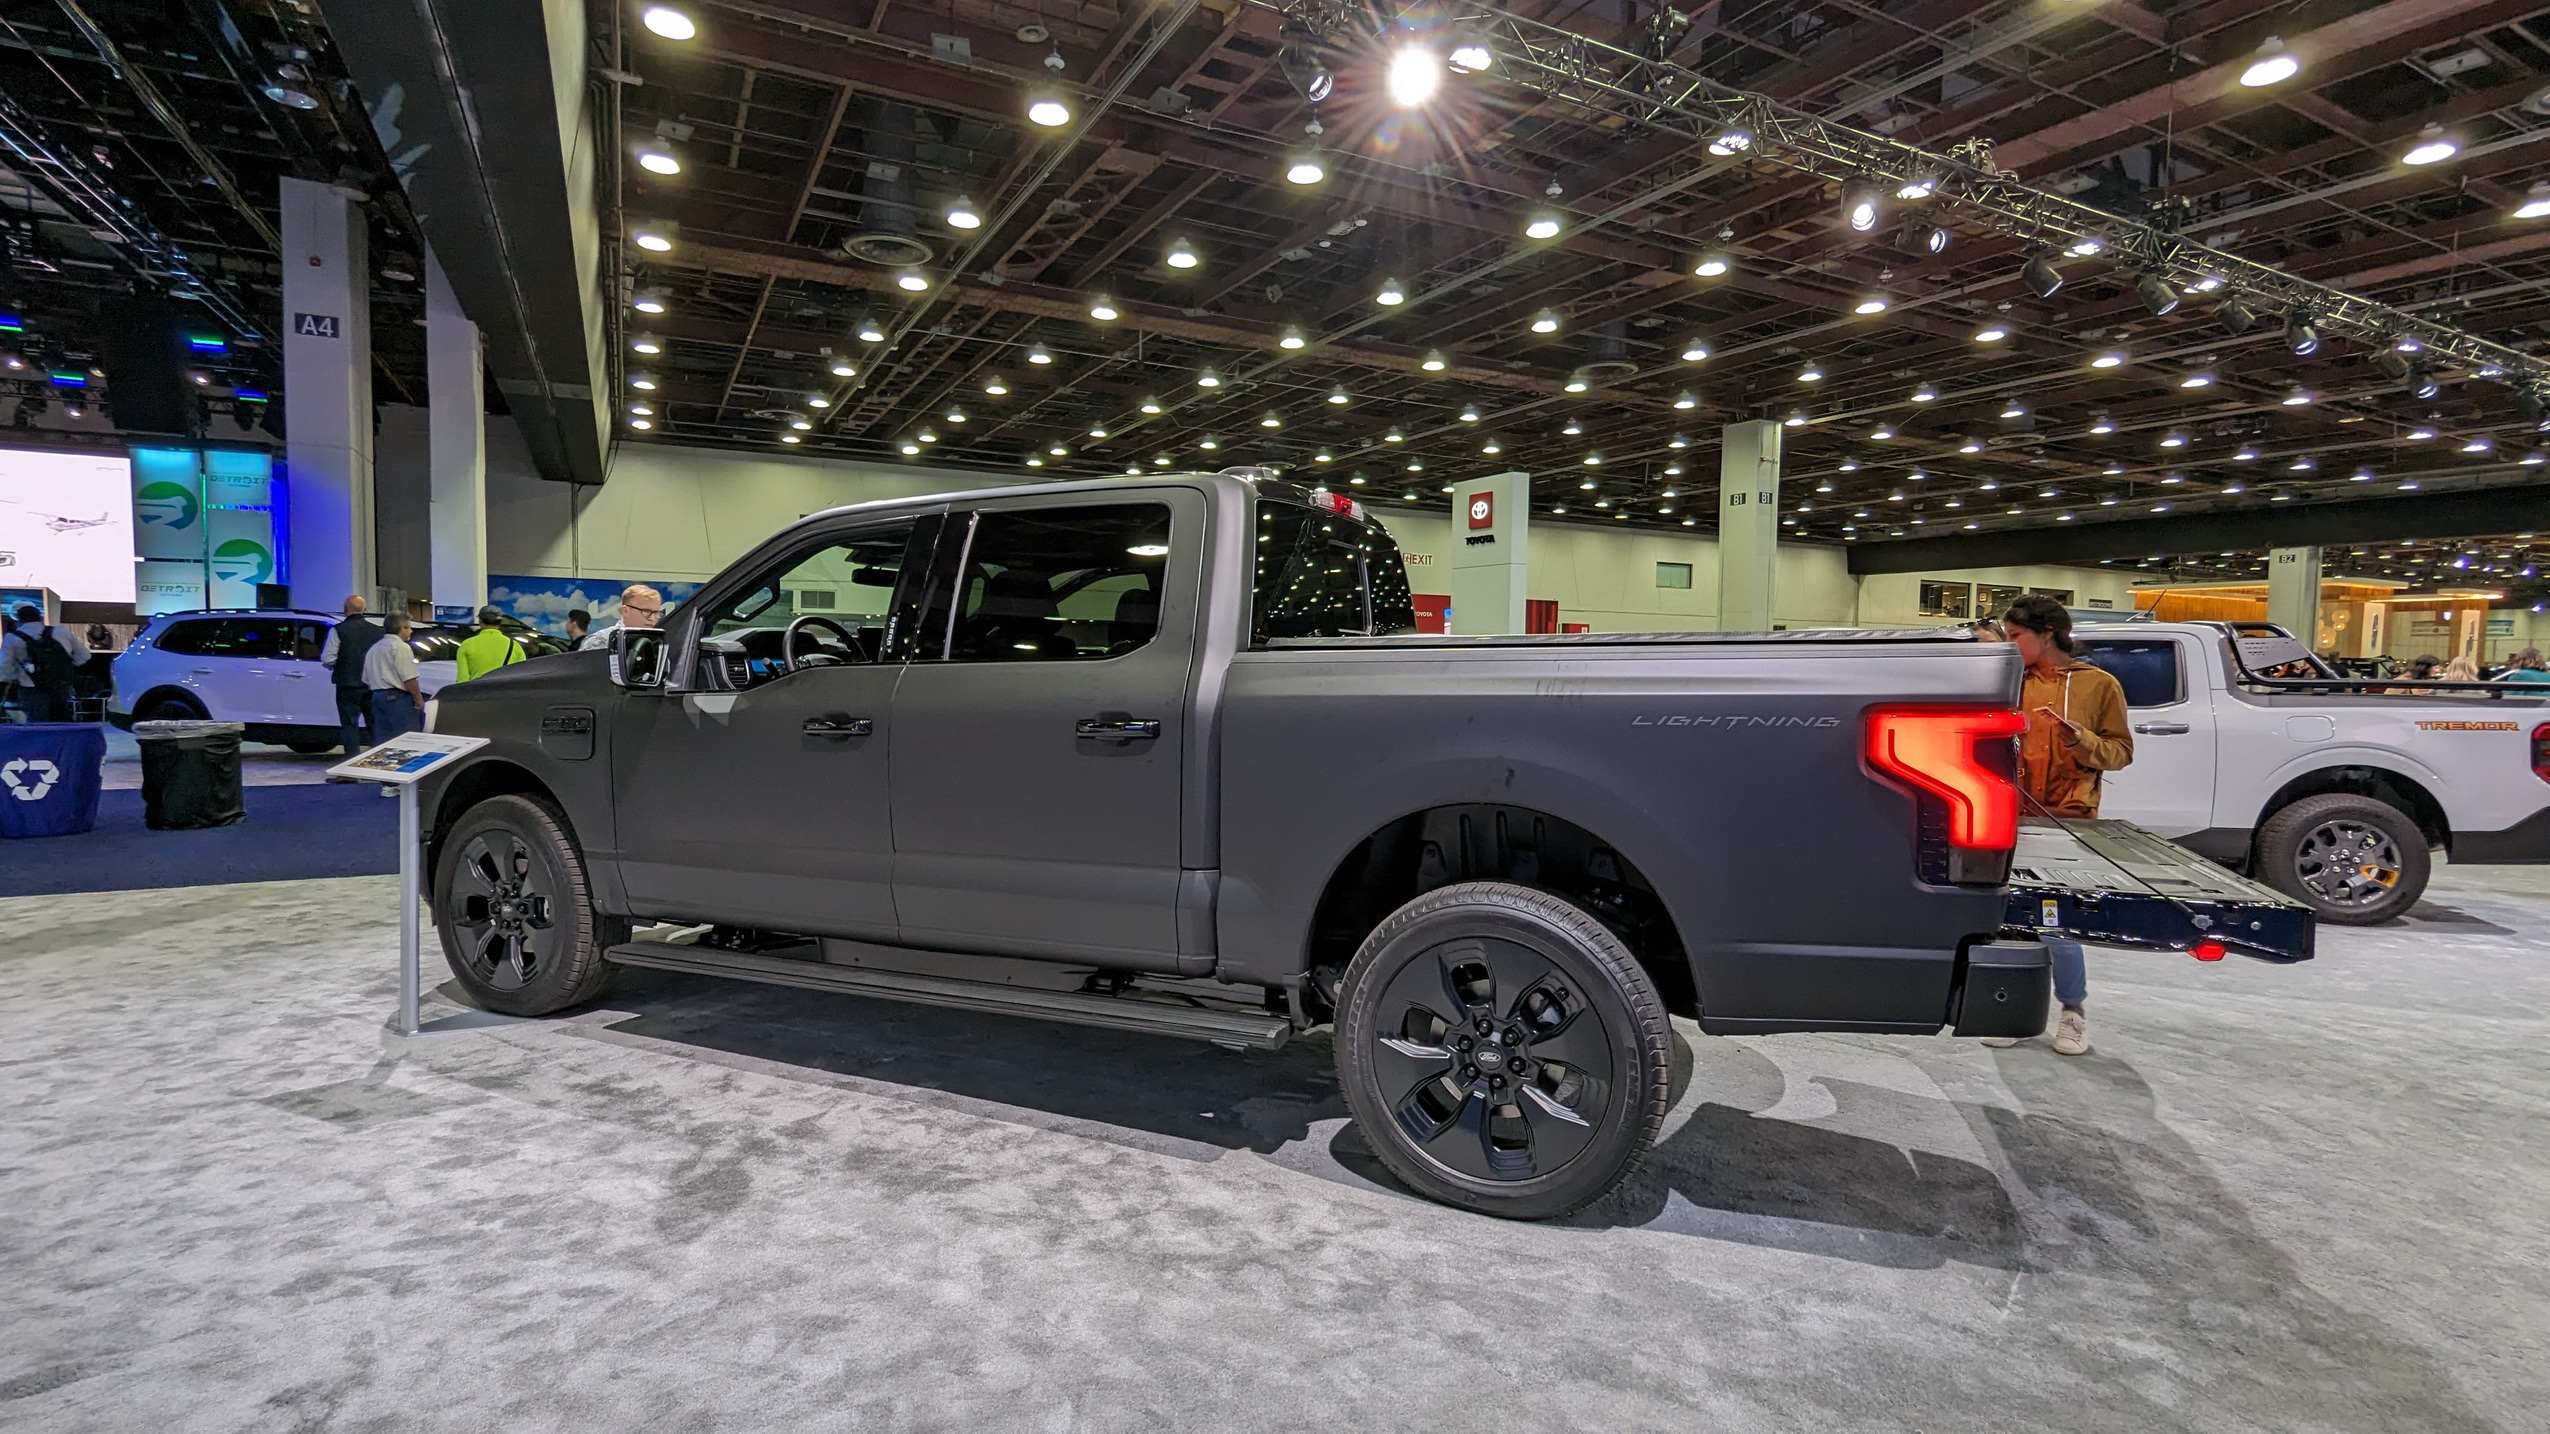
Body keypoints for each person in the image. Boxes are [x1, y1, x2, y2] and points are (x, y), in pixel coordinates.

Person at [1988, 594, 2134, 1058]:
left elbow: (2121, 752)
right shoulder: (2009, 680)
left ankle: (2072, 1012)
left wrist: (2081, 738)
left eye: (2016, 636)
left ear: (2045, 634)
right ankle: (2011, 1009)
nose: (2010, 645)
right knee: (2009, 916)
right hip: (2008, 812)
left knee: (2057, 921)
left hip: (2070, 817)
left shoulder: (2099, 685)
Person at [362, 614, 425, 797]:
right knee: (407, 740)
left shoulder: (373, 649)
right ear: (401, 629)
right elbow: (408, 677)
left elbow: (365, 678)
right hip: (397, 698)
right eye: (409, 627)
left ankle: (388, 784)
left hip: (377, 696)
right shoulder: (401, 647)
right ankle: (407, 784)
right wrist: (418, 698)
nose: (411, 631)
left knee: (384, 740)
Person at [317, 595, 386, 758]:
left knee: (349, 726)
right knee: (375, 725)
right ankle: (379, 762)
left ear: (344, 609)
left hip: (347, 686)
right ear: (365, 610)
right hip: (372, 686)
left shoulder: (338, 630)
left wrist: (340, 666)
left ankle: (352, 763)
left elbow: (328, 659)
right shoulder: (379, 632)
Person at [12, 604, 89, 723]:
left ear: (19, 619)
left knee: (36, 724)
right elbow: (84, 656)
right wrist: (69, 664)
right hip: (60, 685)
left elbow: (5, 667)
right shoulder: (60, 631)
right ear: (40, 618)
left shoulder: (12, 637)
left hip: (30, 688)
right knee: (61, 721)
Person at [578, 584, 665, 651]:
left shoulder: (660, 643)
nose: (652, 618)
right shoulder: (600, 641)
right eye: (646, 611)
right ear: (625, 611)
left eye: (657, 613)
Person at [453, 606, 526, 683]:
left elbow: (463, 678)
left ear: (480, 621)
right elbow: (522, 674)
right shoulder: (514, 645)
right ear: (500, 622)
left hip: (477, 692)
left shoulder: (467, 645)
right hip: (504, 692)